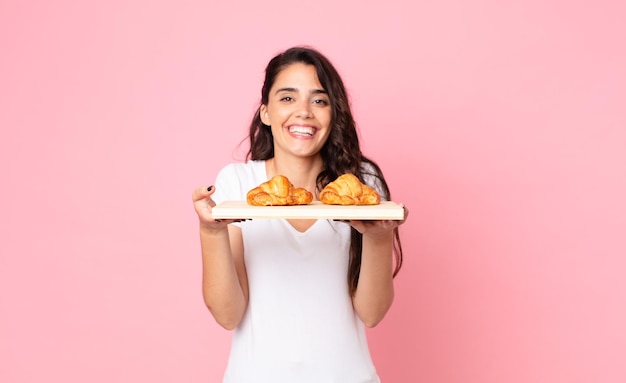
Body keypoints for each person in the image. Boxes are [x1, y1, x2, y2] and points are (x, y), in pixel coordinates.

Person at [191, 46, 408, 383]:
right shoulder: (238, 183)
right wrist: (211, 233)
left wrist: (378, 237)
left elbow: (373, 312)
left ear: (333, 113)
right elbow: (228, 314)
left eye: (319, 100)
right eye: (288, 98)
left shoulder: (361, 183)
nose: (304, 112)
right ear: (265, 112)